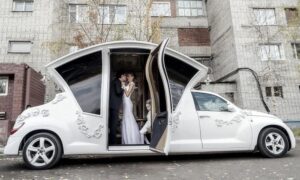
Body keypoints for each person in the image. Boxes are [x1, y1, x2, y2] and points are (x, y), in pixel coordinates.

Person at [121, 73, 144, 144]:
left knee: (129, 118)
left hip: (128, 102)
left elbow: (127, 94)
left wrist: (123, 85)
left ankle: (132, 139)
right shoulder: (128, 84)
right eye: (127, 76)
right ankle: (127, 138)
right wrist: (124, 84)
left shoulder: (132, 84)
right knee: (125, 119)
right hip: (125, 102)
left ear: (133, 77)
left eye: (129, 76)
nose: (128, 77)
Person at [109, 71, 127, 145]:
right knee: (113, 125)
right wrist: (123, 87)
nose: (125, 77)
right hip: (114, 105)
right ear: (121, 76)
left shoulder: (114, 81)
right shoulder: (117, 82)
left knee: (112, 124)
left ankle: (112, 141)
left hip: (112, 105)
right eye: (124, 76)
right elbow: (118, 91)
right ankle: (113, 143)